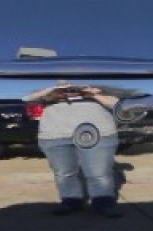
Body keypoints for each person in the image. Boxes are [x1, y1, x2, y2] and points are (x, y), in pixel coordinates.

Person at [24, 82, 122, 216]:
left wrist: (92, 93)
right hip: (55, 133)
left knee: (99, 172)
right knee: (63, 173)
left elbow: (116, 103)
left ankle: (103, 202)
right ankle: (71, 201)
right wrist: (52, 92)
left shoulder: (100, 78)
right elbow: (26, 98)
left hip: (97, 131)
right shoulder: (45, 79)